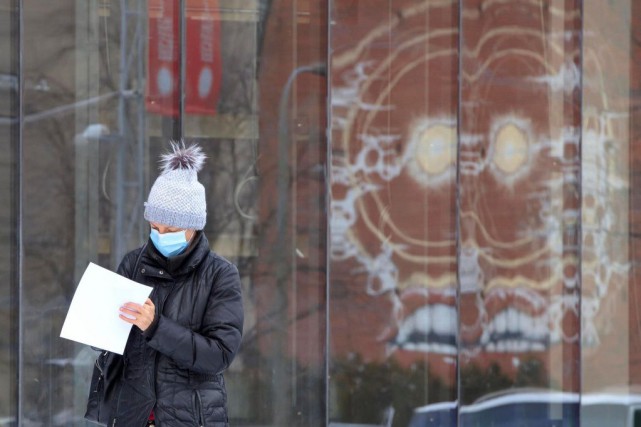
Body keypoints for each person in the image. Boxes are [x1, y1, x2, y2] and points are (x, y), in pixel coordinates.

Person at [112, 142, 244, 426]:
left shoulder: (221, 275)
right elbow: (117, 346)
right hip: (133, 415)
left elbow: (218, 356)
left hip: (190, 418)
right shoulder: (133, 264)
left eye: (170, 230)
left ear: (193, 226)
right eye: (155, 228)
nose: (160, 235)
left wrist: (156, 327)